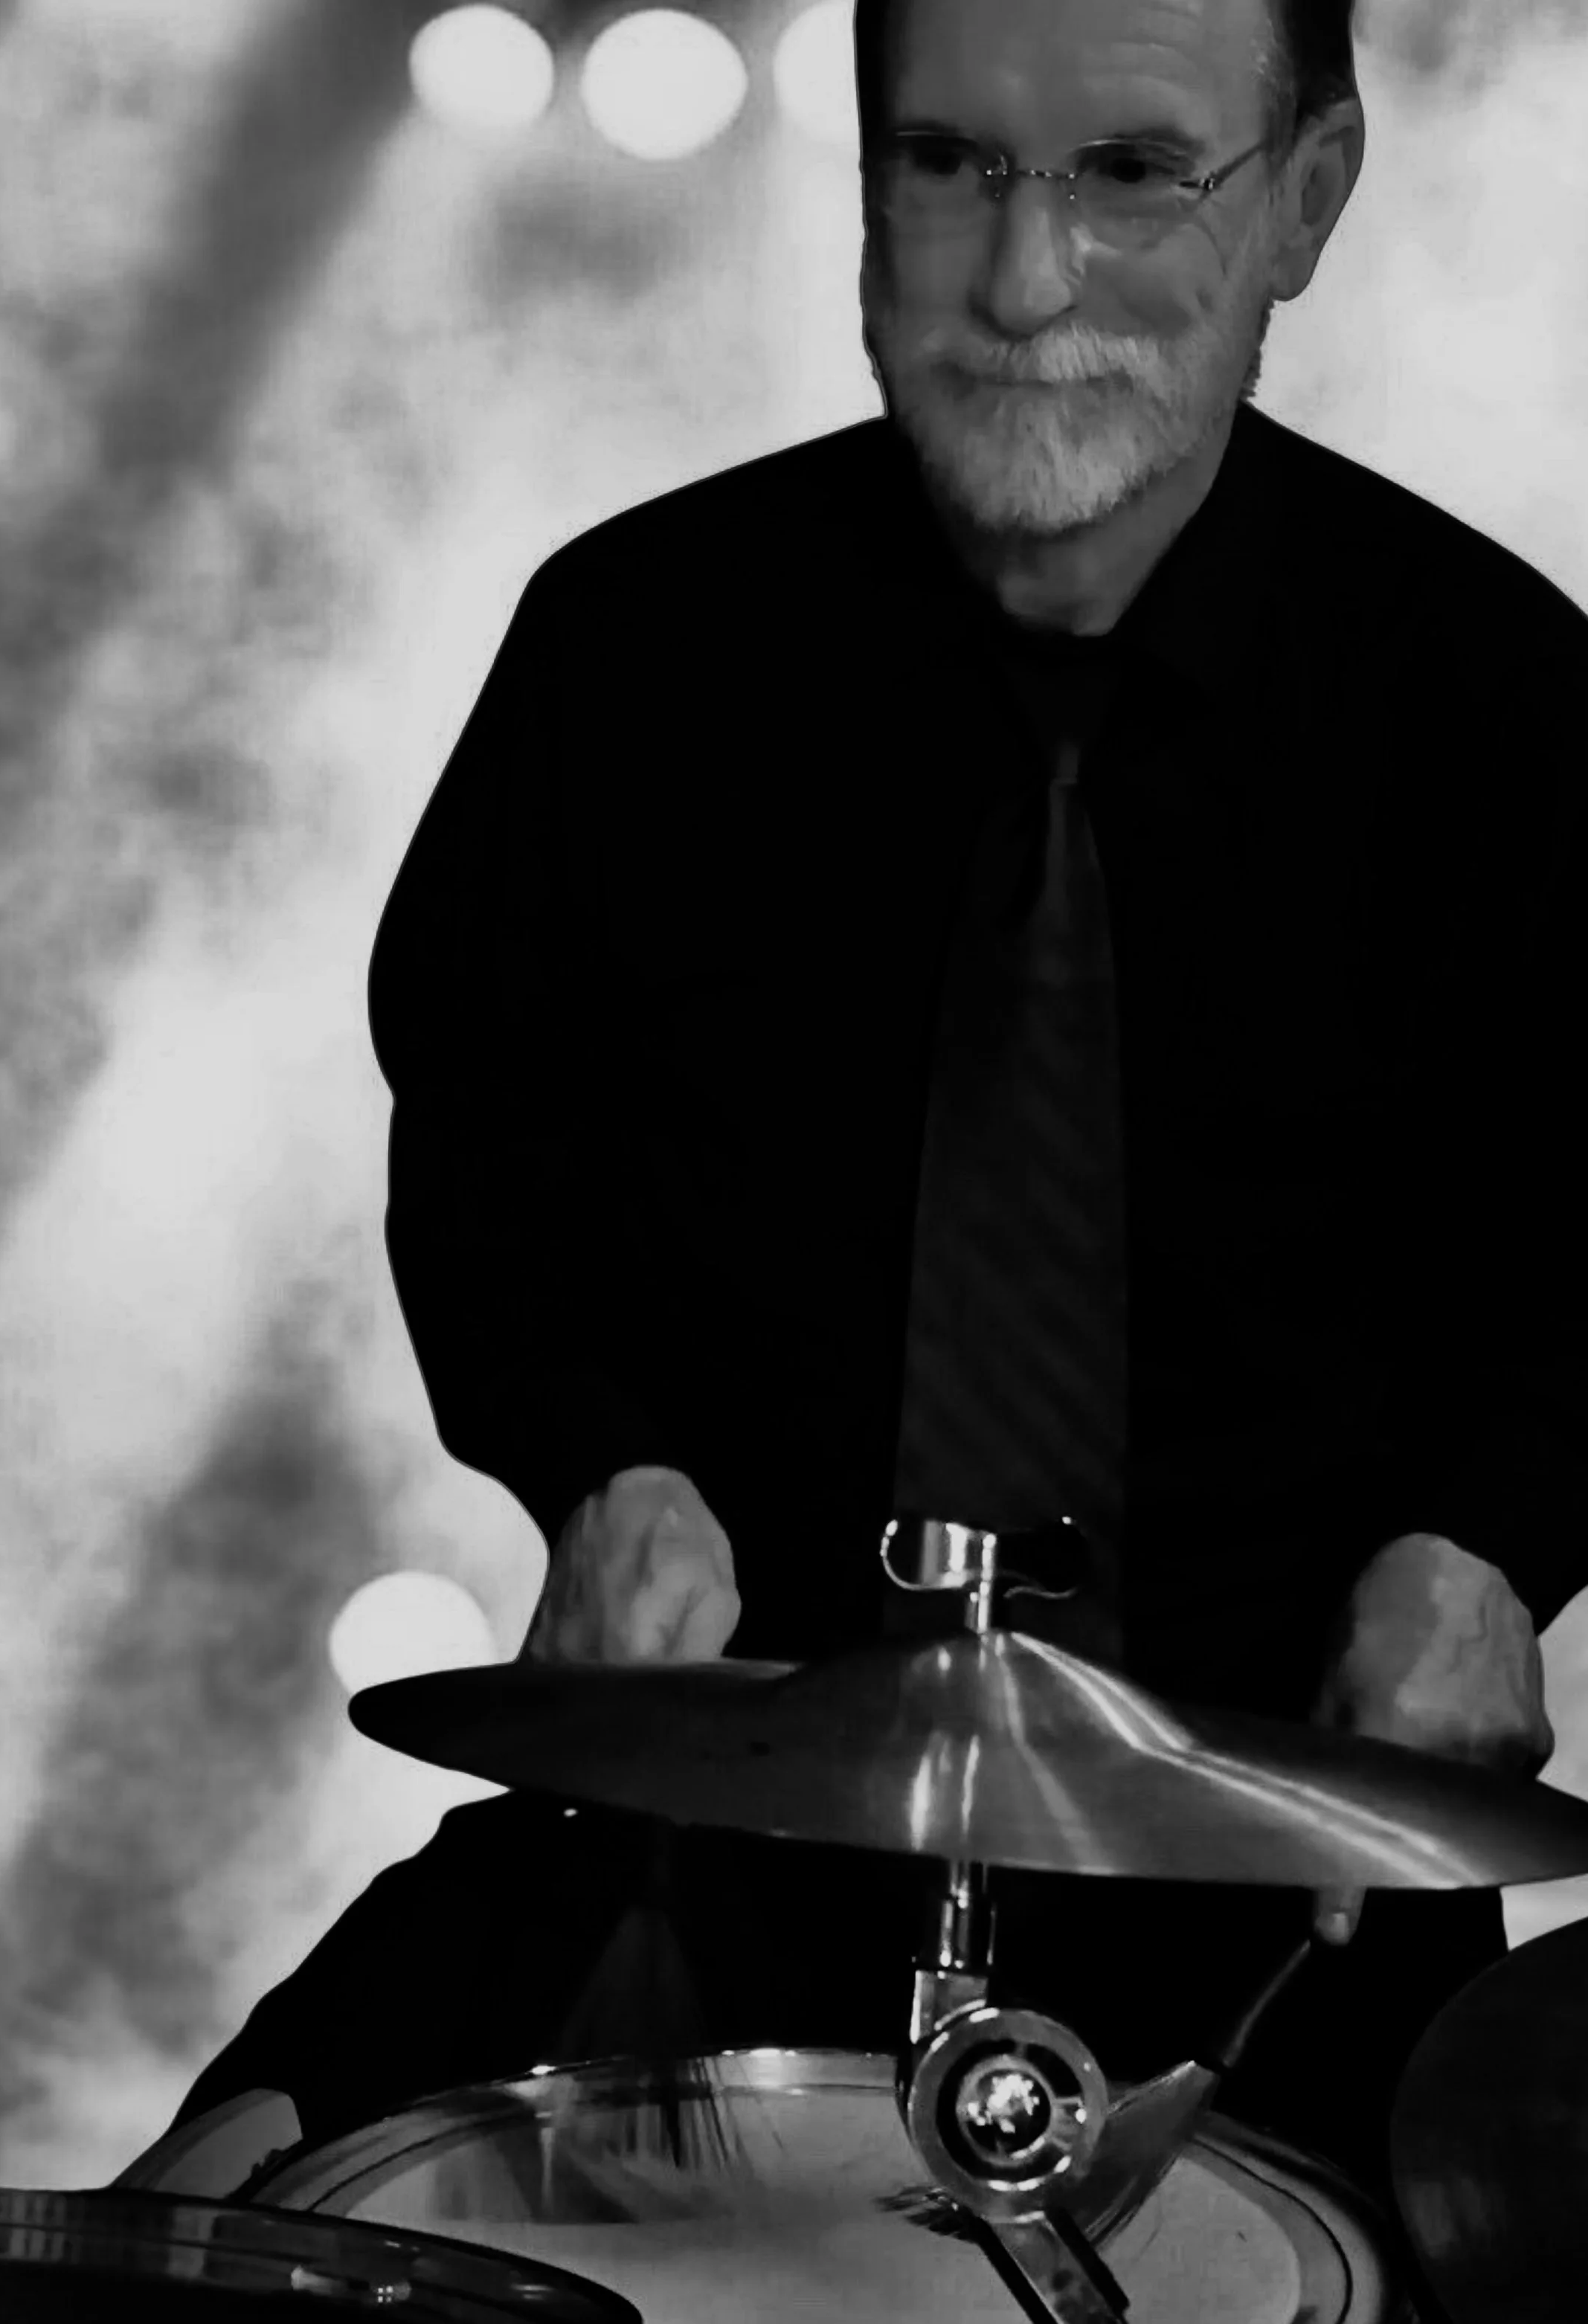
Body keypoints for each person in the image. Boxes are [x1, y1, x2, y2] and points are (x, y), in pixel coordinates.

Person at [156, 0, 1584, 2227]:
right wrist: (598, 1458)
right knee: (182, 2222)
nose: (1023, 286)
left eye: (1128, 172)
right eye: (945, 168)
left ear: (1308, 193)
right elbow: (496, 1153)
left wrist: (1492, 1544)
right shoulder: (631, 649)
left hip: (1286, 1929)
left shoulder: (1508, 713)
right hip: (699, 1851)